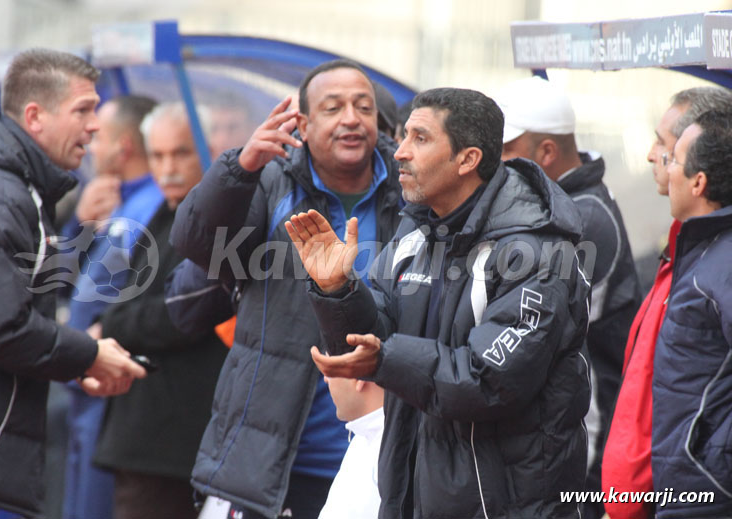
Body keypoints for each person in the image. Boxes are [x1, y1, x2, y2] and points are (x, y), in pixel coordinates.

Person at [285, 87, 592, 518]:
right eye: (405, 135)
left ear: (467, 160)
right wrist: (338, 290)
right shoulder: (415, 233)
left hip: (505, 506)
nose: (400, 152)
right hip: (412, 495)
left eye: (420, 139)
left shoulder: (538, 255)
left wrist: (382, 359)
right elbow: (374, 338)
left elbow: (486, 382)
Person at [170, 58, 404, 518]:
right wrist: (242, 165)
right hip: (277, 456)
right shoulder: (269, 180)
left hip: (379, 453)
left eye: (364, 107)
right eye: (333, 108)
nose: (352, 118)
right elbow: (197, 244)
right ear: (304, 123)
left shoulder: (408, 188)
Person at [0, 48, 146, 519]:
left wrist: (73, 362)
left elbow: (17, 297)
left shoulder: (11, 183)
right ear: (34, 116)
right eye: (83, 110)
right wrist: (88, 354)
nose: (94, 125)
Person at [496, 75, 642, 519]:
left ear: (546, 153)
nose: (495, 163)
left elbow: (534, 330)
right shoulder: (566, 200)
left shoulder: (582, 216)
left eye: (506, 151)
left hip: (592, 429)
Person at [91, 102, 228, 519]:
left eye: (181, 153)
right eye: (159, 155)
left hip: (176, 438)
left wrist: (109, 325)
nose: (168, 167)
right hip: (144, 433)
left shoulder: (216, 219)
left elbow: (182, 314)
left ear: (208, 149)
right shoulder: (163, 213)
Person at [601, 86, 732, 519]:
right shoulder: (687, 247)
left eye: (670, 150)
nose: (655, 158)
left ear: (700, 176)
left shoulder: (721, 261)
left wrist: (711, 467)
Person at [61, 94, 164, 519]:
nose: (90, 145)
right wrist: (76, 226)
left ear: (123, 146)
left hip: (111, 384)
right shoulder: (112, 199)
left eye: (98, 136)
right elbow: (67, 279)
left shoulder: (152, 205)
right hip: (83, 378)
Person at [650, 109, 732, 517]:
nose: (664, 166)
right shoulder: (702, 250)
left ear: (699, 182)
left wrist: (715, 456)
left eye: (674, 160)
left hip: (707, 492)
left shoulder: (724, 261)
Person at [317, 376, 383, 519]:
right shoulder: (362, 438)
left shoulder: (387, 450)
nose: (325, 379)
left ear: (359, 378)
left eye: (330, 370)